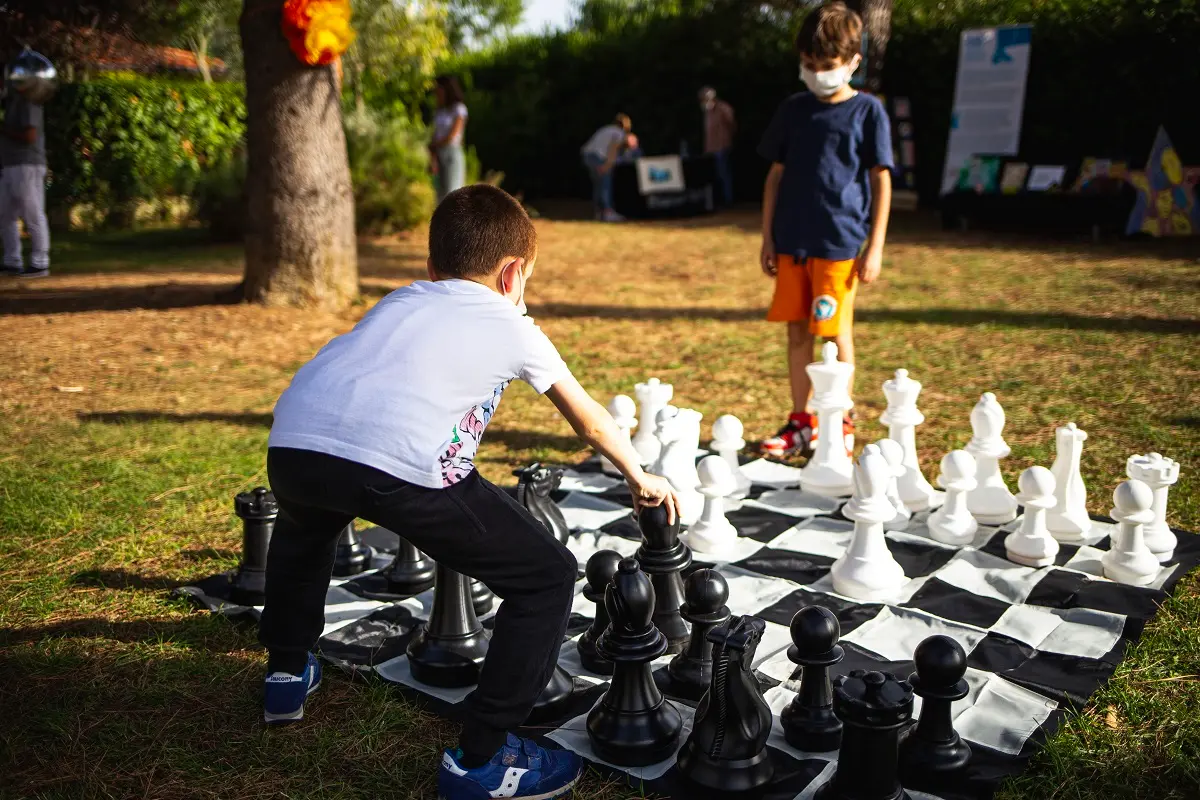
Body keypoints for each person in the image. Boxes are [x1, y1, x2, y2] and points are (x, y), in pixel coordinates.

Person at [258, 184, 679, 800]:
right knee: (545, 579)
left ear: (432, 268)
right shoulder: (512, 325)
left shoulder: (400, 300)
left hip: (294, 445)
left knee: (304, 539)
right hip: (400, 466)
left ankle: (286, 673)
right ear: (514, 274)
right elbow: (588, 420)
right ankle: (479, 760)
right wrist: (640, 475)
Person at [757, 1, 893, 459]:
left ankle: (839, 419)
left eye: (827, 66)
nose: (817, 74)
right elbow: (775, 175)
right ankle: (800, 421)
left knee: (835, 333)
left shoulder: (868, 112)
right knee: (798, 334)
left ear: (853, 61)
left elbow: (881, 178)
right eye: (809, 65)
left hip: (839, 245)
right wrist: (767, 237)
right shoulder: (793, 110)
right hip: (792, 242)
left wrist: (874, 247)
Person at [0, 74, 49, 278]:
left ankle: (40, 262)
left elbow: (29, 136)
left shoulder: (29, 102)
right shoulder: (12, 103)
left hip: (26, 164)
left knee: (32, 212)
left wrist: (3, 130)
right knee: (4, 214)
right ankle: (12, 260)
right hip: (11, 164)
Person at [581, 113, 632, 222]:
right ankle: (608, 212)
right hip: (598, 157)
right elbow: (613, 149)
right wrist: (607, 165)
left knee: (598, 184)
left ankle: (598, 212)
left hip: (587, 155)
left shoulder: (606, 129)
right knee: (605, 184)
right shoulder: (619, 133)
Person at [430, 75, 468, 202]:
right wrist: (433, 155)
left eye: (438, 89)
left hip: (452, 154)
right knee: (439, 194)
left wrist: (436, 144)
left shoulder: (458, 109)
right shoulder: (440, 111)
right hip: (439, 153)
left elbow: (453, 135)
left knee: (452, 191)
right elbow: (435, 133)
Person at [699, 87, 736, 207]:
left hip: (722, 146)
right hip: (711, 148)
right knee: (715, 174)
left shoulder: (723, 108)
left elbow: (731, 124)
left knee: (724, 173)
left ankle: (728, 200)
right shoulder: (707, 112)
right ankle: (718, 200)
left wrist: (727, 139)